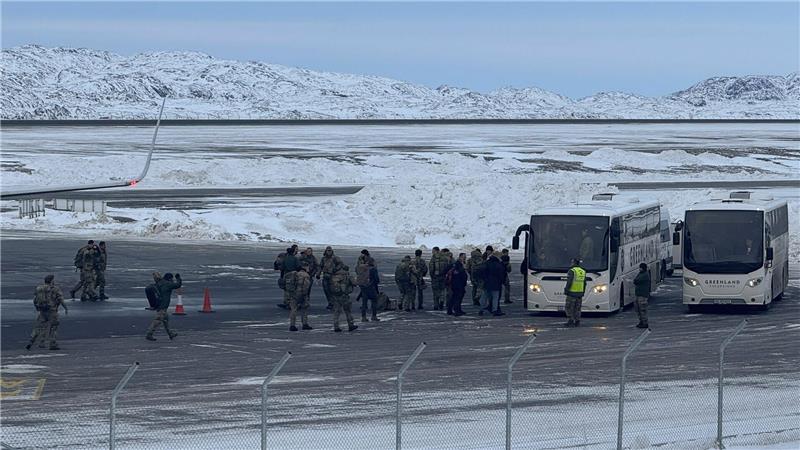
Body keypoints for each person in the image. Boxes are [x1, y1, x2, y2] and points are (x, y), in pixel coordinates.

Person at [27, 274, 68, 351]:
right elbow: (60, 299)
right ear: (52, 281)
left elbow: (35, 299)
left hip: (42, 311)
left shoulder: (39, 288)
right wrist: (65, 308)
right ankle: (53, 344)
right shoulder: (55, 289)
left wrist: (37, 307)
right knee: (53, 327)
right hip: (52, 311)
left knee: (39, 327)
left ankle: (31, 341)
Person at [146, 273, 182, 341]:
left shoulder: (159, 283)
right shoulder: (167, 284)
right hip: (163, 306)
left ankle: (170, 334)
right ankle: (149, 334)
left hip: (159, 304)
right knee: (157, 320)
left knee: (165, 320)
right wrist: (178, 278)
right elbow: (178, 285)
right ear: (170, 278)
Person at [329, 263, 359, 332]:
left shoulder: (335, 276)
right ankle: (350, 325)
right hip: (344, 296)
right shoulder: (347, 276)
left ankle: (336, 326)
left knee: (336, 312)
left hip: (336, 296)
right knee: (348, 311)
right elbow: (354, 283)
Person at [286, 263, 313, 331]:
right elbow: (306, 286)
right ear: (306, 267)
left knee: (293, 310)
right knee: (304, 309)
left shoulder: (294, 274)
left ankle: (292, 325)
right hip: (302, 294)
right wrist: (305, 295)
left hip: (293, 293)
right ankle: (305, 324)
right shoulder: (306, 275)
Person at [481, 252, 506, 316]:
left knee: (485, 296)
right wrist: (502, 281)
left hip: (486, 283)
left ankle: (481, 309)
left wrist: (484, 279)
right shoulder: (498, 264)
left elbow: (483, 272)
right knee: (495, 297)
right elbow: (501, 274)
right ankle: (494, 310)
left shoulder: (487, 263)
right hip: (496, 283)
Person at [563, 258, 586, 327]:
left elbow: (569, 282)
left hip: (572, 293)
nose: (571, 263)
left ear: (574, 263)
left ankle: (571, 320)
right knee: (577, 308)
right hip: (579, 294)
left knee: (569, 307)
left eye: (572, 262)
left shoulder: (572, 271)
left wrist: (566, 290)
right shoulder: (582, 271)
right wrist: (583, 292)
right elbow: (584, 283)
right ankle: (577, 321)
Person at [633, 263, 651, 329]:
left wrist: (635, 281)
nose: (639, 269)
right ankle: (641, 321)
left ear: (643, 268)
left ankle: (645, 322)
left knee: (642, 309)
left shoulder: (645, 275)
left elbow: (636, 280)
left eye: (640, 267)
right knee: (638, 309)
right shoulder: (641, 273)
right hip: (638, 294)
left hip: (642, 295)